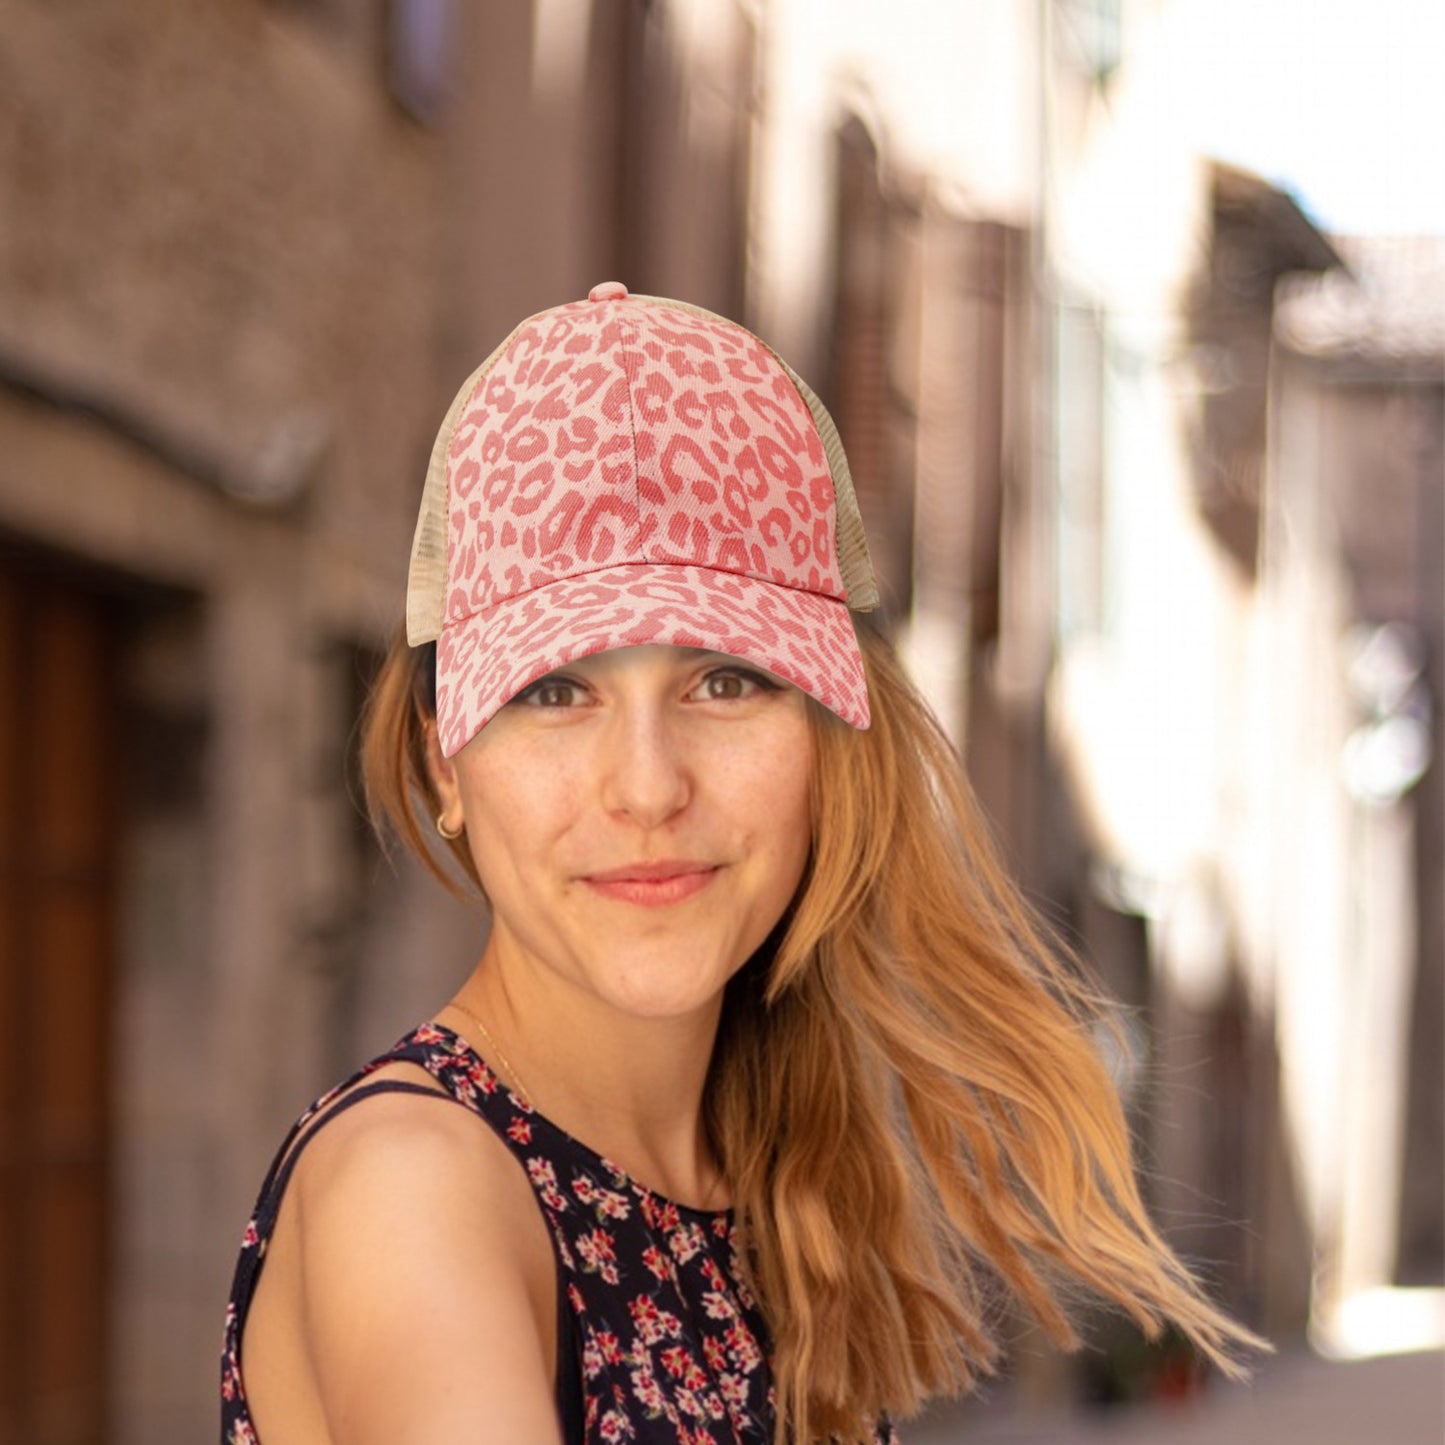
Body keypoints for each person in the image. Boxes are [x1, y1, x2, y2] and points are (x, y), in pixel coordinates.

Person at [220, 283, 1258, 1445]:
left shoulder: (758, 1194)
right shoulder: (414, 1183)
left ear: (827, 737)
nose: (649, 784)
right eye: (554, 692)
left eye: (725, 681)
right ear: (447, 765)